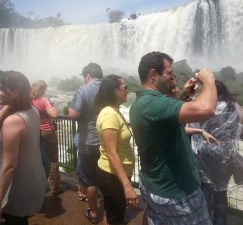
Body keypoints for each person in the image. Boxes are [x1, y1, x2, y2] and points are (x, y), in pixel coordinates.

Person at [129, 51, 217, 224]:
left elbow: (170, 120)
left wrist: (184, 96)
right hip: (177, 193)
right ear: (153, 75)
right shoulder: (155, 104)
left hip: (153, 185)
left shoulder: (141, 102)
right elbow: (207, 109)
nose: (172, 78)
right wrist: (209, 81)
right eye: (169, 73)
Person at [0, 71, 46, 225]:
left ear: (15, 92)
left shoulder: (13, 121)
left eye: (2, 88)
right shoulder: (32, 111)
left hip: (16, 188)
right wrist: (11, 103)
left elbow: (9, 166)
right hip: (33, 180)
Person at [190, 80, 242, 225]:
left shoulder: (204, 107)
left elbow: (191, 126)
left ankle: (204, 222)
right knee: (220, 193)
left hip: (204, 155)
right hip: (224, 158)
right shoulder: (233, 106)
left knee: (205, 192)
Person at [95, 74, 138, 225]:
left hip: (114, 175)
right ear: (114, 91)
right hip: (111, 176)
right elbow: (111, 152)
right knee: (116, 217)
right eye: (125, 88)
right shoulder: (109, 114)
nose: (128, 91)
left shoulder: (114, 111)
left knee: (112, 213)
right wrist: (127, 187)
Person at [69, 62, 103, 224]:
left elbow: (74, 114)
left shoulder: (83, 90)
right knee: (107, 175)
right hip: (108, 139)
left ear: (87, 76)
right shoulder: (110, 87)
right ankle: (112, 211)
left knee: (90, 179)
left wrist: (69, 107)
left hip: (89, 140)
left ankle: (94, 213)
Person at [30, 80, 63, 195]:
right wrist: (54, 108)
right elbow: (53, 114)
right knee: (53, 160)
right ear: (43, 89)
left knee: (41, 159)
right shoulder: (44, 100)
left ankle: (40, 185)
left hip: (35, 131)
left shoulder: (29, 100)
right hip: (48, 131)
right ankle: (55, 187)